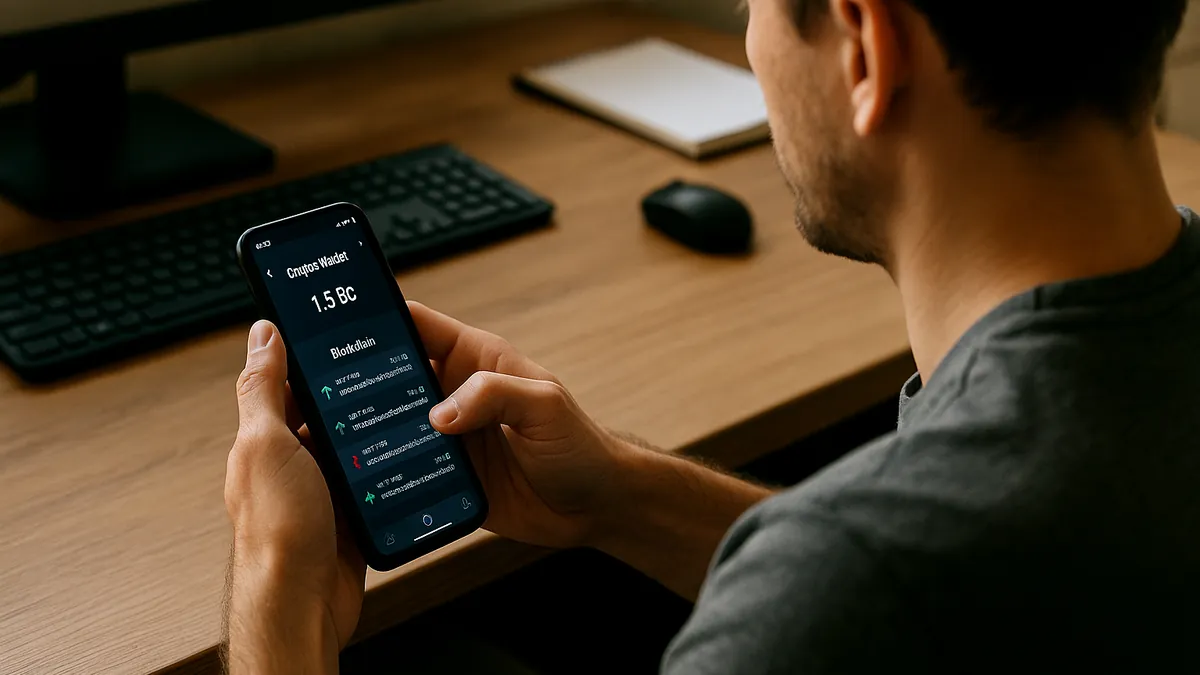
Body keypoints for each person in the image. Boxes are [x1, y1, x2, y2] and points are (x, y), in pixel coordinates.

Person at [222, 0, 1200, 672]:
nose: (750, 41)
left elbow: (860, 589)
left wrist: (281, 609)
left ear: (866, 49)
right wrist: (623, 498)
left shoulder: (851, 597)